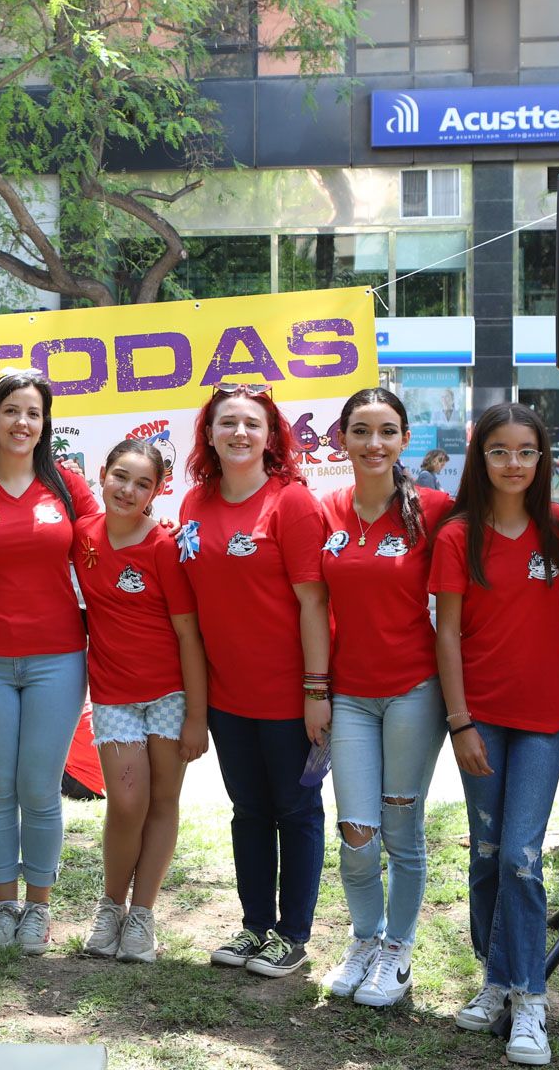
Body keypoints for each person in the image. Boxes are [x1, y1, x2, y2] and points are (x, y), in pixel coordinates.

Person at [431, 402, 559, 1065]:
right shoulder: (458, 536)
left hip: (545, 720)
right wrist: (459, 721)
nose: (514, 463)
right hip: (480, 718)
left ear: (542, 459)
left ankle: (530, 1000)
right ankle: (495, 978)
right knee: (488, 853)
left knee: (522, 854)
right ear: (480, 458)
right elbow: (447, 634)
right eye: (500, 451)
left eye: (527, 451)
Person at [0, 369, 100, 955]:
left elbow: (100, 562)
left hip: (58, 657)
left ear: (45, 423)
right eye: (11, 412)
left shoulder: (68, 486)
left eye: (33, 413)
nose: (22, 423)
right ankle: (4, 904)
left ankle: (38, 907)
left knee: (39, 785)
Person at [175, 383, 329, 980]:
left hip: (291, 696)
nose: (240, 433)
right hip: (228, 696)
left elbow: (313, 603)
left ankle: (292, 935)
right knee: (247, 811)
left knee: (296, 809)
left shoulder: (290, 503)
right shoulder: (193, 503)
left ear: (272, 436)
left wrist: (317, 691)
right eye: (227, 423)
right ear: (208, 435)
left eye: (253, 424)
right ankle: (255, 926)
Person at [316, 388, 455, 1008]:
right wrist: (315, 688)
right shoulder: (325, 511)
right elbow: (309, 607)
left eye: (388, 431)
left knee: (402, 828)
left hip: (413, 692)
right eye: (362, 431)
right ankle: (364, 939)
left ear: (404, 440)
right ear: (341, 439)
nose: (375, 443)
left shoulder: (436, 509)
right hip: (347, 695)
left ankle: (398, 948)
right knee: (354, 829)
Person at [72, 439, 207, 965]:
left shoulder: (164, 548)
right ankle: (110, 907)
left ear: (158, 490)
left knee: (162, 802)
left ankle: (142, 916)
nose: (128, 490)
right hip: (113, 694)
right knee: (127, 803)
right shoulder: (82, 536)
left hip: (170, 695)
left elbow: (189, 636)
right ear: (102, 474)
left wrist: (197, 715)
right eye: (121, 477)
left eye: (143, 483)